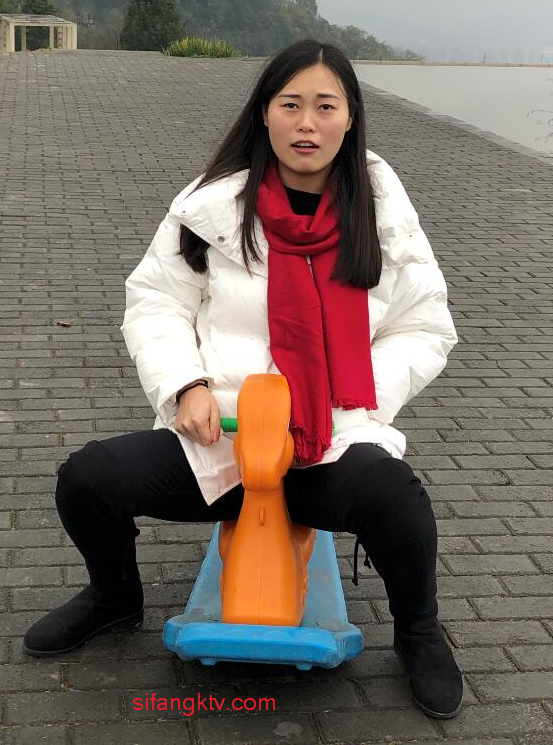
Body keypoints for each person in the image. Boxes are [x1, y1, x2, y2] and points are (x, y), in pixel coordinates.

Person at [23, 38, 463, 720]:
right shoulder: (210, 209)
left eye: (325, 106)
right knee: (87, 478)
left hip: (326, 441)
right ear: (264, 112)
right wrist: (186, 385)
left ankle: (419, 632)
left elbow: (425, 326)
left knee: (396, 499)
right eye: (290, 104)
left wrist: (347, 397)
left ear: (350, 117)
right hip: (223, 439)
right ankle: (114, 597)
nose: (307, 123)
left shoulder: (383, 216)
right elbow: (157, 301)